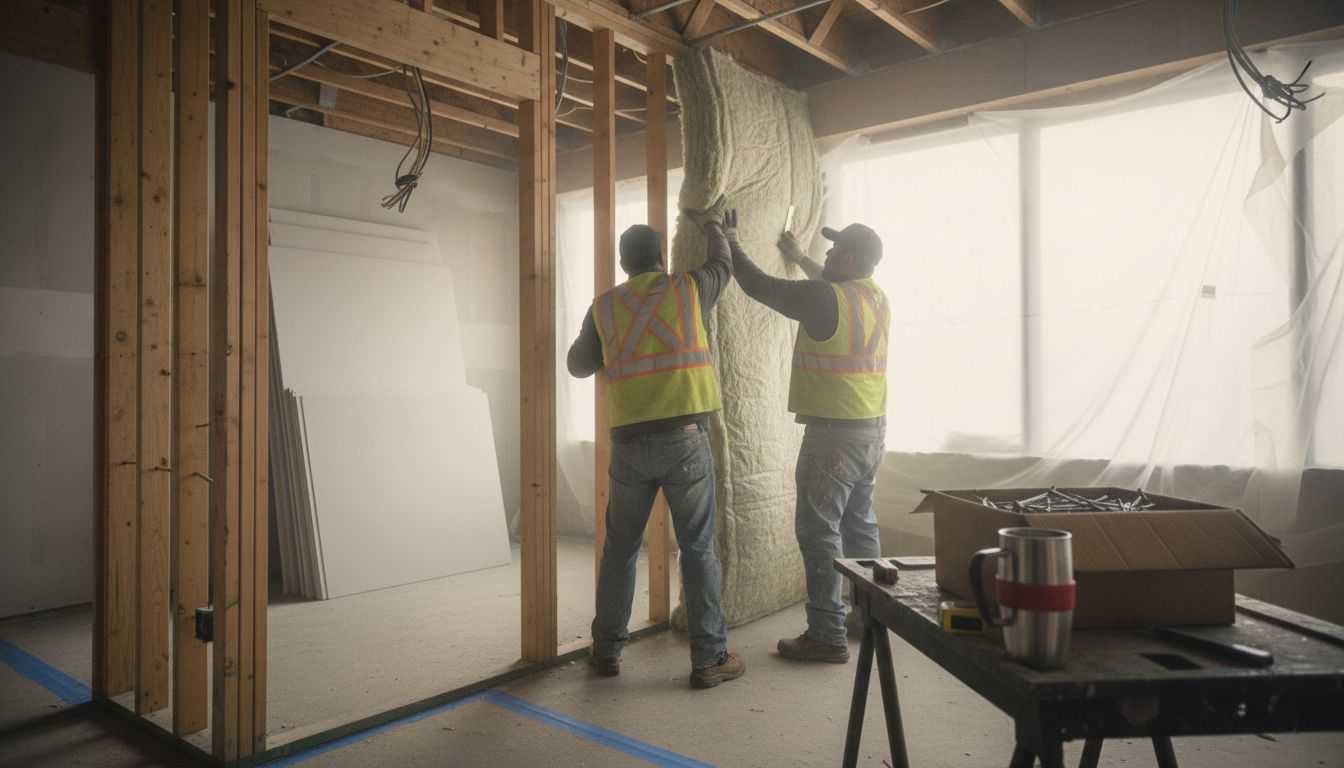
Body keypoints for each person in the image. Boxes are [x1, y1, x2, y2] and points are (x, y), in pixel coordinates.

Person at [567, 202, 746, 689]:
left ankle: (606, 651)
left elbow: (578, 366)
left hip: (629, 446)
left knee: (620, 550)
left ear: (623, 263)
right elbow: (723, 264)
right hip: (685, 441)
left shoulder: (604, 307)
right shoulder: (688, 288)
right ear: (661, 257)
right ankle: (709, 659)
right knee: (697, 549)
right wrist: (714, 226)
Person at [731, 221, 890, 664]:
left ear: (847, 260)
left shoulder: (825, 298)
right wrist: (801, 257)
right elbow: (828, 286)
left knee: (819, 532)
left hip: (833, 437)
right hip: (871, 432)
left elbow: (760, 286)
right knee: (859, 526)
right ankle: (866, 619)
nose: (828, 254)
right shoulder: (875, 296)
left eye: (834, 250)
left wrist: (730, 242)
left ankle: (825, 633)